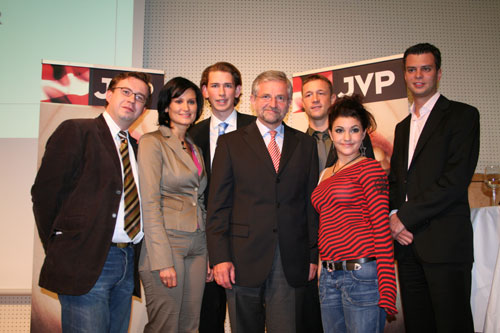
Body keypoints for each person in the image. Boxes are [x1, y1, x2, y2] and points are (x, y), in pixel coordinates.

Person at [31, 71, 151, 332]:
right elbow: (44, 194)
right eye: (126, 91)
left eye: (140, 97)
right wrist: (60, 245)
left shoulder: (138, 147)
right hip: (85, 260)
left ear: (143, 109)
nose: (132, 99)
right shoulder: (77, 130)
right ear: (109, 94)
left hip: (127, 259)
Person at [206, 70, 319, 332]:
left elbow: (310, 207)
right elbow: (218, 206)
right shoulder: (230, 144)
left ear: (290, 104)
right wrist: (220, 257)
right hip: (241, 258)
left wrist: (312, 255)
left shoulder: (305, 145)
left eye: (281, 97)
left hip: (291, 259)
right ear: (253, 100)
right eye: (266, 96)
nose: (273, 103)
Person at [389, 43, 479, 332]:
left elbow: (454, 181)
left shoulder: (463, 116)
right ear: (404, 75)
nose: (418, 76)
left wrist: (403, 217)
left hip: (444, 244)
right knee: (417, 325)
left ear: (438, 73)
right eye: (412, 69)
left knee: (452, 324)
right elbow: (396, 180)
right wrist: (393, 215)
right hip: (406, 245)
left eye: (425, 69)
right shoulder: (402, 126)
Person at [311, 94, 397, 332]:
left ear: (364, 134)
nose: (346, 137)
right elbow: (325, 226)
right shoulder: (325, 174)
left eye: (354, 130)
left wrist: (388, 285)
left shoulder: (370, 169)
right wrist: (321, 271)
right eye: (339, 130)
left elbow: (381, 227)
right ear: (330, 133)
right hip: (329, 277)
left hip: (362, 277)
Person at [188, 62, 255, 332]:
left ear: (238, 90)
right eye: (215, 85)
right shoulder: (191, 134)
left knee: (248, 320)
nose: (222, 92)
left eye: (228, 85)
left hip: (251, 243)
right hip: (206, 241)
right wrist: (206, 250)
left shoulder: (259, 128)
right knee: (208, 319)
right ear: (205, 91)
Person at [138, 77, 207, 332]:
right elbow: (150, 202)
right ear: (166, 106)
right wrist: (161, 258)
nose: (186, 107)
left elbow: (198, 199)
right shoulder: (152, 142)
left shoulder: (194, 147)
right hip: (167, 243)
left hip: (199, 243)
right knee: (165, 326)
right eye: (179, 101)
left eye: (191, 101)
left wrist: (209, 250)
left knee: (190, 325)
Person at [301, 74, 374, 172]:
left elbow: (369, 173)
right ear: (302, 103)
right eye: (308, 95)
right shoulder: (297, 146)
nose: (315, 99)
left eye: (321, 93)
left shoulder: (358, 138)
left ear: (332, 99)